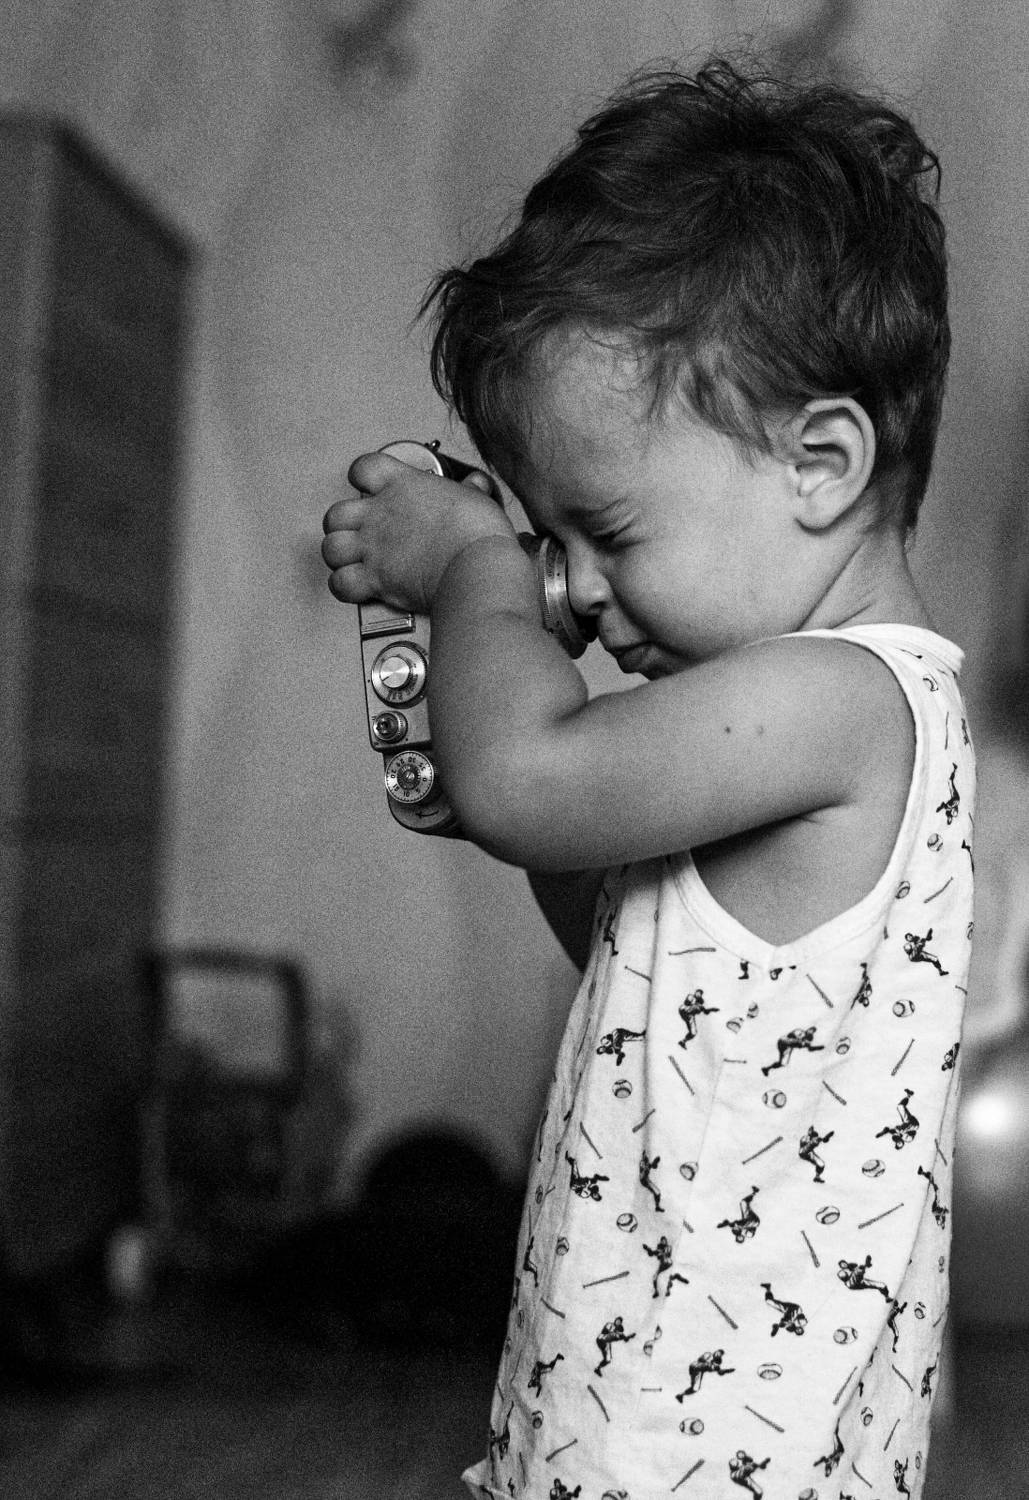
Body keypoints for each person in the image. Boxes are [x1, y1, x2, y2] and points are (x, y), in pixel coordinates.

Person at [322, 57, 973, 1500]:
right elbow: (639, 968)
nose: (576, 591)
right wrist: (507, 789)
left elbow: (529, 783)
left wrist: (475, 572)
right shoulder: (807, 715)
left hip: (702, 1452)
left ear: (819, 462)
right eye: (546, 545)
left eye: (605, 533)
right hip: (638, 1417)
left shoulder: (843, 700)